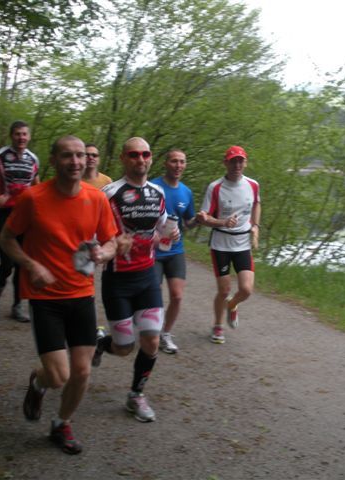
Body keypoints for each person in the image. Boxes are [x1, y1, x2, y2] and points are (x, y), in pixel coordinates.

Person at [0, 135, 118, 454]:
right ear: (53, 161)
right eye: (67, 156)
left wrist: (105, 254)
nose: (76, 162)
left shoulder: (97, 199)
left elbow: (112, 240)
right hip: (46, 297)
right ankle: (38, 383)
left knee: (81, 372)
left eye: (80, 156)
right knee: (58, 375)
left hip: (81, 294)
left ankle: (61, 423)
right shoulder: (33, 198)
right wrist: (30, 264)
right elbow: (7, 238)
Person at [93, 137, 178, 423]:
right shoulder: (109, 193)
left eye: (145, 154)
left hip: (147, 278)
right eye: (133, 155)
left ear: (151, 158)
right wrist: (110, 244)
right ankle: (103, 343)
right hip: (117, 281)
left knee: (151, 342)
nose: (140, 159)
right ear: (123, 159)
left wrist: (169, 235)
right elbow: (90, 234)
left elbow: (162, 231)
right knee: (124, 347)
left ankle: (135, 395)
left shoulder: (157, 193)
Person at [0, 120, 40, 322]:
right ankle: (2, 279)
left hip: (26, 215)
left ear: (29, 137)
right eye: (17, 134)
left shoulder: (33, 159)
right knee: (6, 260)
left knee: (21, 260)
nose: (21, 137)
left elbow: (37, 186)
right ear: (12, 136)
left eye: (24, 134)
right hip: (4, 213)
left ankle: (17, 305)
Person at [196, 145, 261, 344]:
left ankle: (232, 305)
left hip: (242, 243)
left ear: (245, 163)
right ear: (226, 163)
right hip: (221, 244)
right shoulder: (215, 187)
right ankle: (218, 325)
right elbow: (203, 217)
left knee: (246, 289)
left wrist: (256, 226)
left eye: (241, 161)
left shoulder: (253, 184)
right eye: (233, 161)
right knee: (223, 290)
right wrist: (222, 222)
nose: (237, 165)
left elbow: (257, 203)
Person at [151, 149, 197, 354]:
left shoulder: (186, 192)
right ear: (166, 164)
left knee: (177, 296)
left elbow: (188, 223)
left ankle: (165, 334)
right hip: (153, 250)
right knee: (153, 296)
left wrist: (200, 220)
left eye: (182, 162)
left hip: (175, 250)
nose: (178, 165)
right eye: (174, 161)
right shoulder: (152, 187)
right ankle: (149, 329)